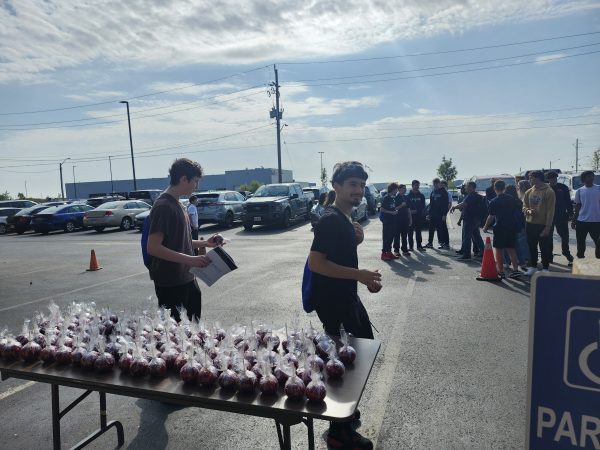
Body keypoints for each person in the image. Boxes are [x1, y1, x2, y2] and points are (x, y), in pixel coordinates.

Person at [308, 161, 381, 450]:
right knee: (348, 362)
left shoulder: (343, 221)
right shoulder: (331, 220)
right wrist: (360, 275)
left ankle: (346, 417)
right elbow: (317, 262)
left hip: (344, 298)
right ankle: (339, 431)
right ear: (336, 187)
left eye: (362, 185)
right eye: (352, 184)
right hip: (334, 302)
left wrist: (355, 243)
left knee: (353, 356)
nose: (359, 190)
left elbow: (336, 254)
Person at [147, 158, 222, 322]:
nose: (197, 186)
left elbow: (179, 241)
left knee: (194, 329)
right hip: (171, 283)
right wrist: (191, 259)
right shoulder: (163, 206)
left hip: (187, 277)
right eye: (195, 181)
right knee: (177, 337)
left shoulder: (179, 205)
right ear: (183, 179)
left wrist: (205, 243)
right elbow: (153, 247)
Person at [483, 180, 523, 278]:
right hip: (511, 226)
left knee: (499, 250)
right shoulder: (512, 199)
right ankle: (515, 270)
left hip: (500, 226)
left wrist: (485, 227)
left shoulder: (494, 201)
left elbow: (491, 216)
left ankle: (500, 271)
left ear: (494, 188)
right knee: (511, 249)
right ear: (504, 188)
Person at [523, 171, 555, 275]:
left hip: (543, 224)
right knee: (532, 246)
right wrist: (528, 211)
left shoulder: (549, 191)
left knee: (544, 247)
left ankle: (545, 268)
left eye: (530, 178)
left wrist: (547, 227)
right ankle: (533, 266)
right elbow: (524, 207)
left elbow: (551, 211)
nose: (529, 180)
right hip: (530, 224)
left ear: (538, 178)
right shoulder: (528, 191)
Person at [546, 171, 574, 266]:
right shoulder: (545, 188)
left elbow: (568, 201)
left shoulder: (563, 187)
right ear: (548, 179)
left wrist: (571, 213)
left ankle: (566, 252)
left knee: (564, 236)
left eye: (555, 178)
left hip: (561, 215)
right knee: (548, 237)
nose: (553, 179)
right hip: (548, 216)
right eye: (551, 178)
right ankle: (549, 256)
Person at [451, 181, 484, 260]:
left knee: (467, 237)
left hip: (470, 219)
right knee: (476, 236)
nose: (465, 187)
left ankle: (466, 255)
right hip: (474, 219)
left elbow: (463, 204)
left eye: (466, 186)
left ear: (471, 187)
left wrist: (454, 207)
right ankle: (483, 251)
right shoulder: (474, 195)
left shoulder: (471, 196)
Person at [571, 170, 600, 259]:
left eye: (592, 176)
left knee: (598, 243)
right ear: (584, 179)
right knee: (580, 243)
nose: (591, 178)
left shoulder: (598, 188)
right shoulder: (580, 191)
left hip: (596, 221)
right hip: (581, 221)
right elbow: (578, 206)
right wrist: (574, 220)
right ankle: (580, 259)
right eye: (589, 176)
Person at [503, 184, 528, 269]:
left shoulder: (505, 201)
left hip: (506, 225)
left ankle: (506, 262)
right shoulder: (518, 201)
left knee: (505, 245)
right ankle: (522, 262)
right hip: (517, 225)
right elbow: (522, 215)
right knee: (517, 245)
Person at [425, 178, 450, 249]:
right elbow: (431, 204)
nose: (435, 185)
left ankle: (446, 244)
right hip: (433, 214)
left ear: (439, 183)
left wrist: (444, 214)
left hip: (441, 214)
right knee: (431, 229)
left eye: (436, 183)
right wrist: (429, 214)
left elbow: (446, 205)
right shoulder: (433, 192)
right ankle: (430, 243)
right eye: (434, 184)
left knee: (443, 229)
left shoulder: (444, 192)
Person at [380, 182, 399, 261]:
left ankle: (389, 252)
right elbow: (382, 209)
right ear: (393, 189)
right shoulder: (386, 197)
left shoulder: (392, 198)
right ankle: (384, 254)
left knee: (391, 237)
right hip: (387, 221)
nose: (397, 191)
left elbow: (391, 207)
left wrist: (395, 210)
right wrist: (391, 212)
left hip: (392, 220)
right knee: (386, 237)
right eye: (396, 189)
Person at [407, 180, 427, 251]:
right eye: (416, 185)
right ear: (412, 185)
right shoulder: (408, 196)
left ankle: (419, 246)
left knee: (418, 232)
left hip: (418, 217)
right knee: (410, 232)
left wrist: (416, 211)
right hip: (410, 217)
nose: (417, 186)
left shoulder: (421, 196)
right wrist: (409, 212)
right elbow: (406, 206)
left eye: (418, 185)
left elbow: (422, 206)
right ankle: (411, 247)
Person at [393, 184, 412, 257]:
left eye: (405, 188)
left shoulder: (406, 197)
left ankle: (404, 250)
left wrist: (410, 219)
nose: (405, 189)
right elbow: (394, 209)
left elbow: (408, 209)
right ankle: (396, 251)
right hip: (397, 220)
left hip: (405, 220)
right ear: (399, 189)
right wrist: (401, 205)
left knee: (404, 236)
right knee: (397, 236)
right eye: (403, 188)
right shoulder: (395, 198)